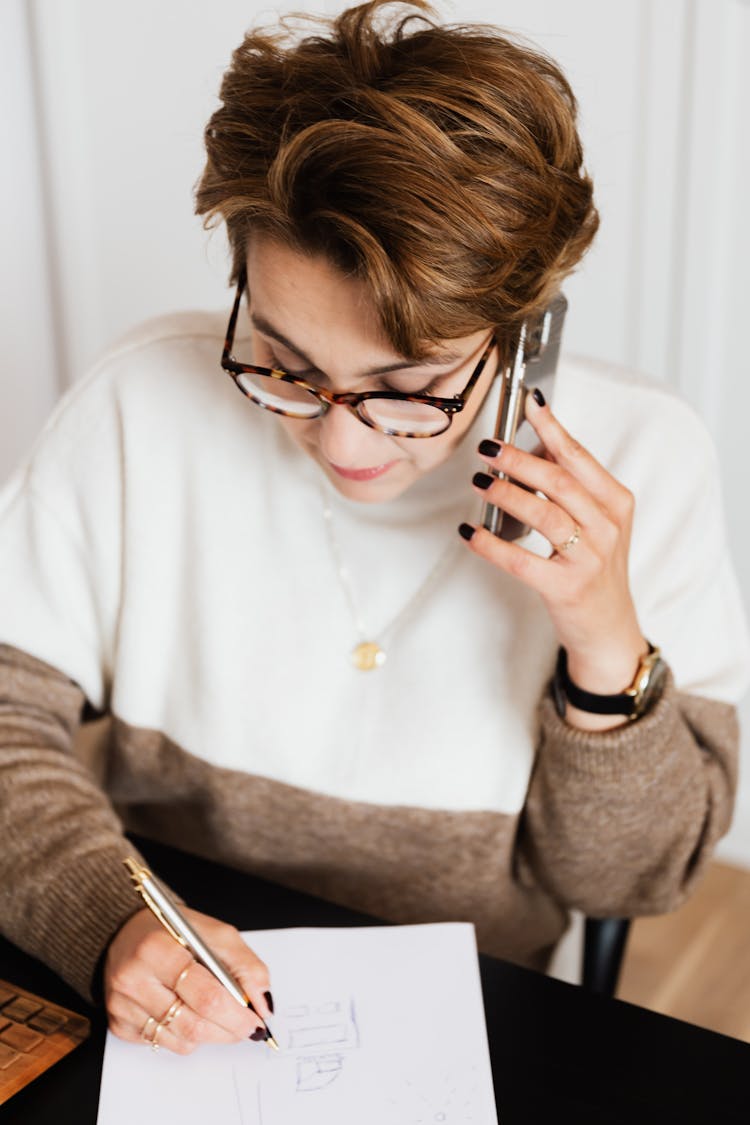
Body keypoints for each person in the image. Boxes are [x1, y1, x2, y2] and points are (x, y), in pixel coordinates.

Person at [1, 0, 748, 1057]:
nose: (346, 445)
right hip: (157, 982)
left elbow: (633, 881)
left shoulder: (644, 458)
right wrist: (99, 915)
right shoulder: (142, 403)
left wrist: (602, 642)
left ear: (524, 329)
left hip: (473, 1016)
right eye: (287, 365)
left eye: (411, 388)